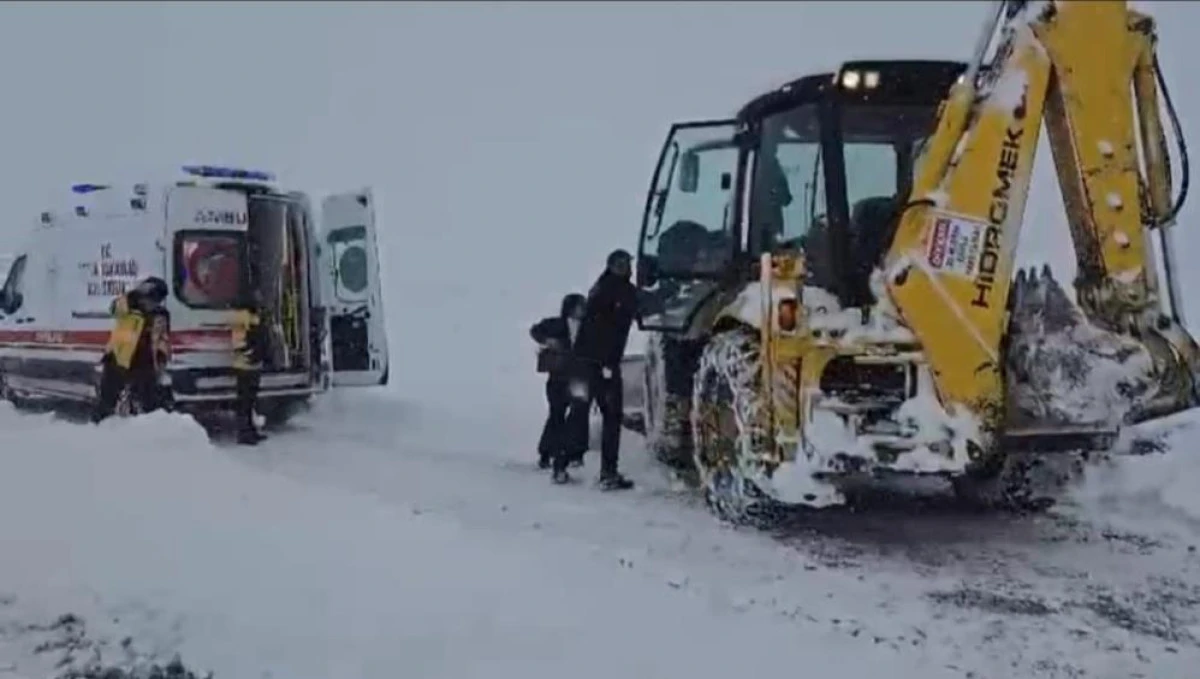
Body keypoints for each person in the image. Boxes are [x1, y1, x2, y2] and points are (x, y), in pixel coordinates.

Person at [568, 249, 638, 491]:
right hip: (602, 365)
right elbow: (613, 326)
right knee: (610, 416)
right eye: (623, 264)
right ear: (613, 266)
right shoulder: (620, 291)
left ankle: (562, 462)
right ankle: (607, 472)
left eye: (627, 263)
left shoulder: (601, 288)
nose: (628, 268)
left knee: (578, 410)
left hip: (585, 362)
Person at [92, 277, 171, 423]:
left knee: (148, 399)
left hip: (145, 361)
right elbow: (114, 308)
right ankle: (100, 426)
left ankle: (147, 429)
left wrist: (161, 356)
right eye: (150, 299)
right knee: (108, 398)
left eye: (157, 301)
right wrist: (131, 296)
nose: (152, 304)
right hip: (118, 359)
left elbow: (163, 338)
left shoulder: (161, 315)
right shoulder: (128, 308)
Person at [529, 292, 586, 484]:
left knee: (577, 415)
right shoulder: (556, 324)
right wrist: (547, 341)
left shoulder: (588, 326)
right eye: (579, 306)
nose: (582, 309)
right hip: (559, 378)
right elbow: (536, 330)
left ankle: (571, 453)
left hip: (577, 377)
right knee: (557, 415)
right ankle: (548, 453)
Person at [231, 291, 270, 445]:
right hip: (245, 364)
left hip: (253, 363)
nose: (260, 299)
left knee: (251, 400)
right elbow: (239, 341)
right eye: (257, 297)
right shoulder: (242, 316)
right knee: (245, 401)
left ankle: (251, 430)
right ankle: (244, 433)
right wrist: (251, 353)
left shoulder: (253, 315)